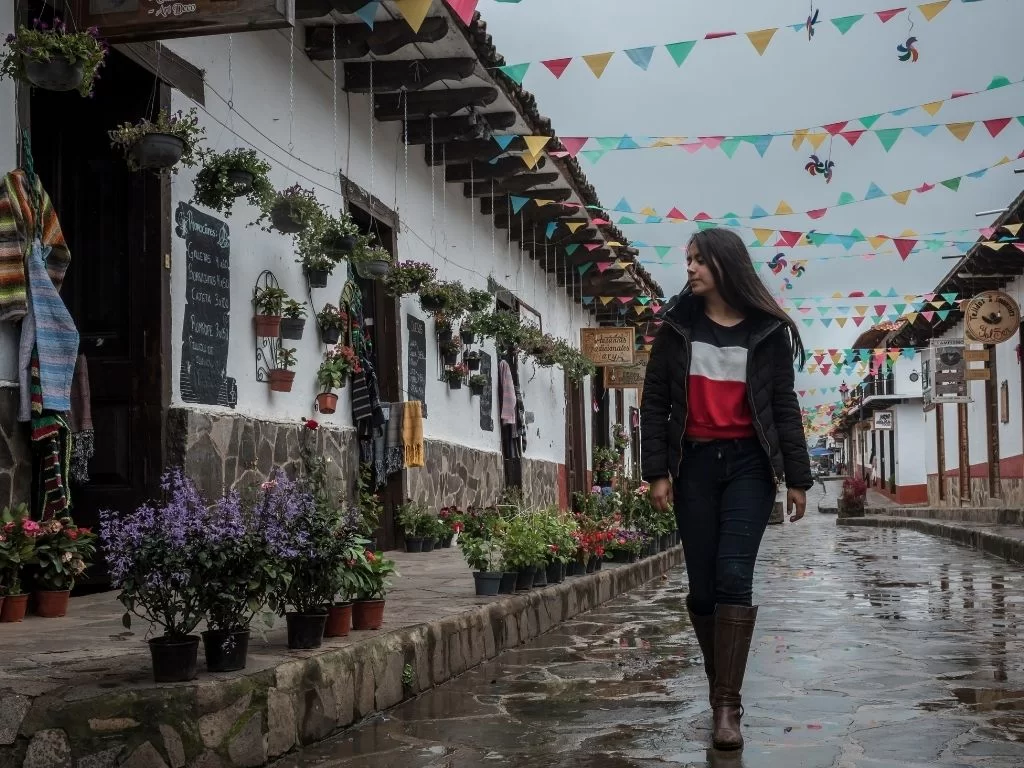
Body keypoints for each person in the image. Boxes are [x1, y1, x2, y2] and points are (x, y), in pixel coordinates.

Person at [640, 229, 812, 751]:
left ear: (724, 265)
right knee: (702, 590)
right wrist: (657, 472)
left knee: (735, 576)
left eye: (698, 261)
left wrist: (798, 478)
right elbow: (653, 402)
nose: (689, 268)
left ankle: (726, 706)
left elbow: (783, 403)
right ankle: (722, 684)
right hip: (693, 465)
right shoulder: (676, 325)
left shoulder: (767, 331)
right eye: (688, 260)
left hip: (750, 467)